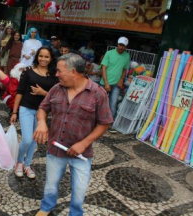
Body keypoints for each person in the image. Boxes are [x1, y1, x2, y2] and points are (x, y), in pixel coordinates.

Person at [33, 53, 113, 216]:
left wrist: (84, 143)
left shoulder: (98, 93)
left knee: (79, 190)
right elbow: (43, 108)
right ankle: (46, 207)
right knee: (50, 185)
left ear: (74, 72)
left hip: (81, 154)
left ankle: (75, 213)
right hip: (55, 149)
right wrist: (41, 122)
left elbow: (105, 122)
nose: (56, 74)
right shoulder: (56, 89)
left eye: (59, 71)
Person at [10, 46, 58, 179]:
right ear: (37, 57)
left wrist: (43, 93)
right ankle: (19, 162)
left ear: (51, 58)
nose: (43, 59)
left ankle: (27, 164)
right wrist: (14, 112)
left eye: (46, 56)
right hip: (26, 108)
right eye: (41, 56)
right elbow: (19, 92)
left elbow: (56, 96)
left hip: (42, 112)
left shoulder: (54, 76)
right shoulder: (28, 71)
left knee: (34, 141)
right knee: (26, 139)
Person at [100, 37, 130, 133]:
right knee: (99, 103)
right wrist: (106, 83)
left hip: (116, 84)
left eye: (123, 46)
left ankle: (110, 125)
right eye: (120, 45)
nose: (121, 47)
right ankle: (96, 122)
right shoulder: (109, 53)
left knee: (113, 104)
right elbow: (104, 68)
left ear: (126, 47)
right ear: (117, 44)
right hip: (104, 83)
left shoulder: (127, 56)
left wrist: (121, 80)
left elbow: (125, 69)